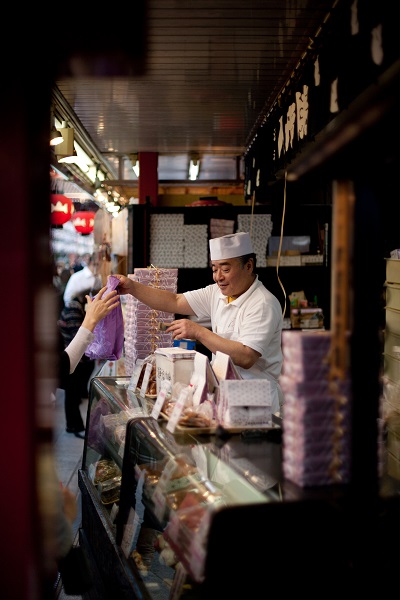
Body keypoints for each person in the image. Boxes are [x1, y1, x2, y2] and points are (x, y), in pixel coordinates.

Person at [112, 231, 284, 413]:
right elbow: (175, 301)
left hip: (256, 402)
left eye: (225, 270)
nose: (218, 277)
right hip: (225, 397)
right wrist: (133, 287)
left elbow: (246, 356)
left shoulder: (263, 303)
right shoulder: (216, 293)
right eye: (214, 269)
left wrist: (199, 332)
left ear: (248, 266)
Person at [58, 284, 120, 437]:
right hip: (71, 355)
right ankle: (74, 426)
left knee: (74, 391)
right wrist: (91, 320)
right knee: (72, 394)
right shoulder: (73, 307)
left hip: (72, 357)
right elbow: (63, 366)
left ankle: (75, 425)